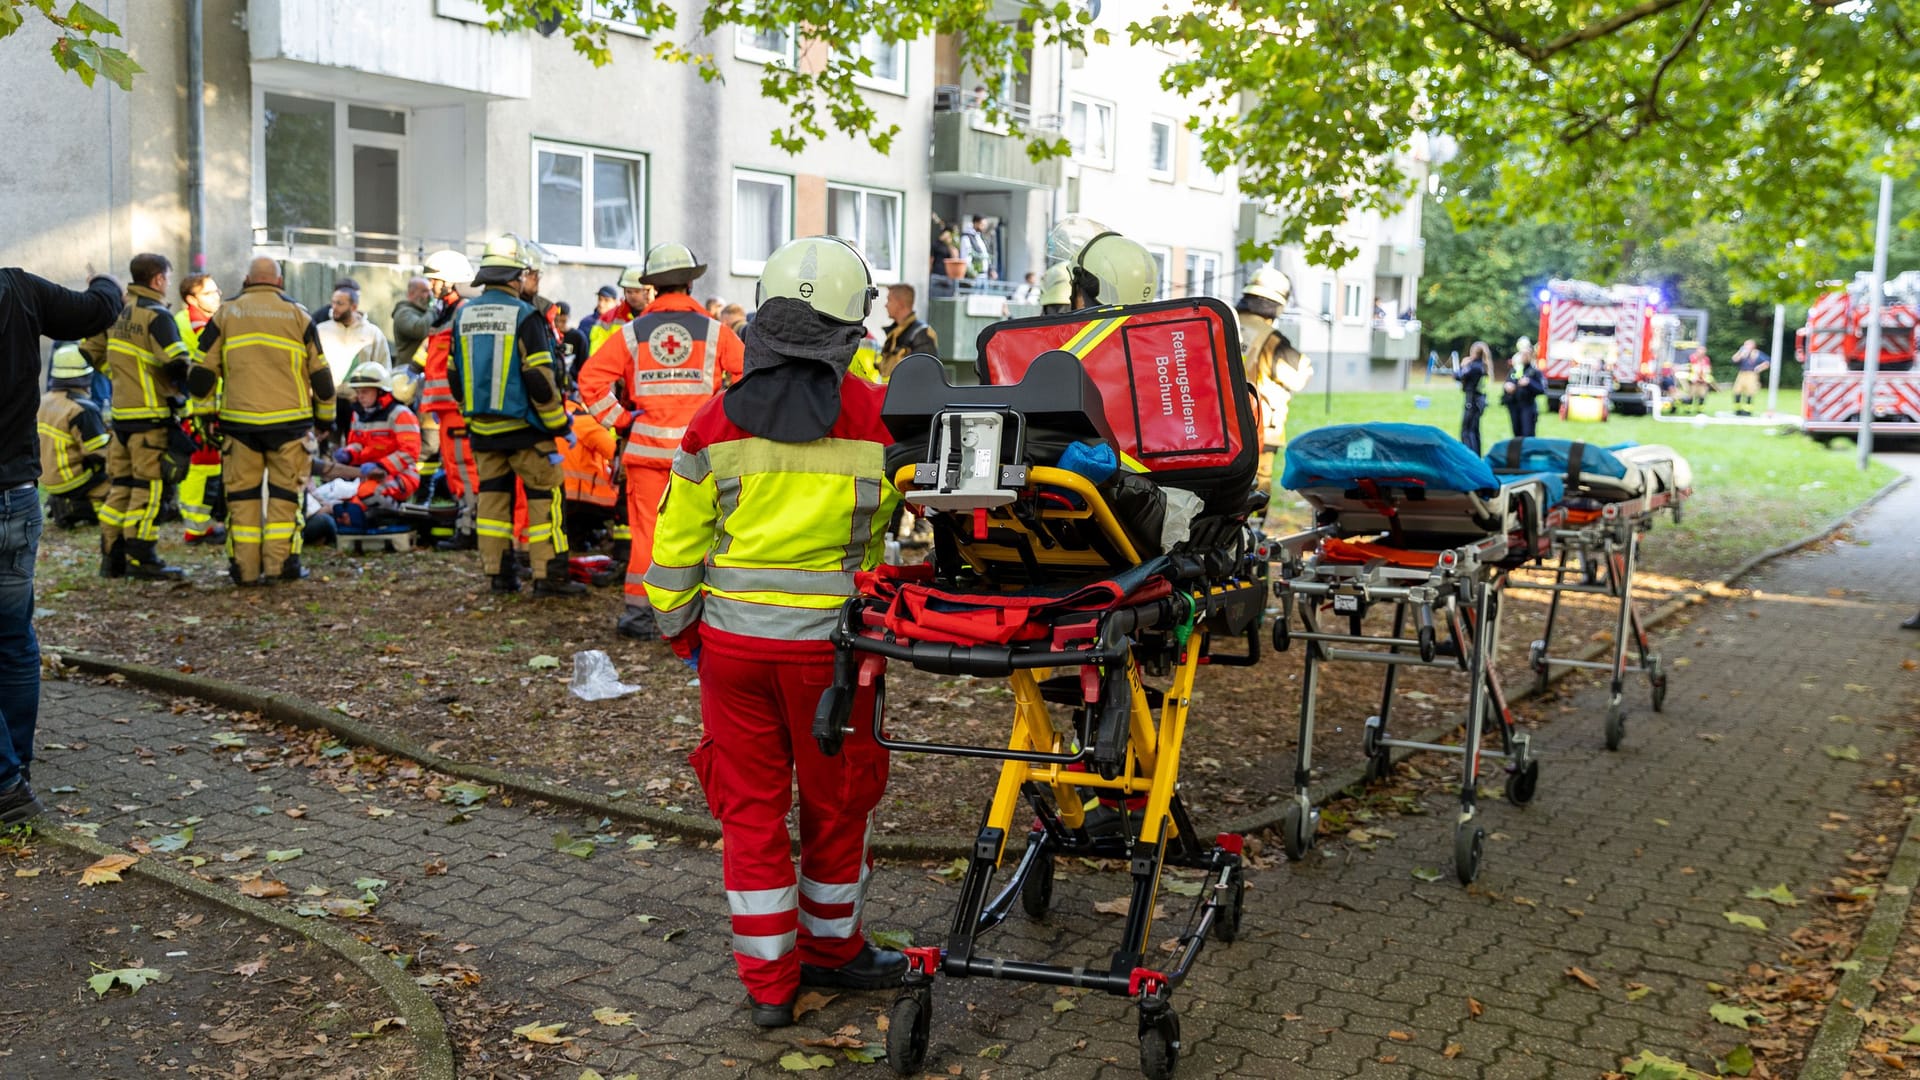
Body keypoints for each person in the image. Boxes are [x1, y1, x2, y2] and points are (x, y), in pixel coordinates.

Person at [644, 235, 905, 1029]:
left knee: (752, 811)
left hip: (732, 653)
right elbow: (896, 522)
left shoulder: (715, 417)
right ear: (849, 327)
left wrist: (678, 629)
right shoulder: (874, 417)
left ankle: (768, 987)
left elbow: (674, 546)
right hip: (834, 655)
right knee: (837, 800)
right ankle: (835, 948)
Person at [0, 266, 122, 825]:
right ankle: (14, 771)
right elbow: (96, 309)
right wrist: (105, 282)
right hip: (17, 498)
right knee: (14, 640)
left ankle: (7, 787)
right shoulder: (19, 290)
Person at [577, 242, 744, 636]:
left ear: (652, 288)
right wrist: (722, 417)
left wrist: (621, 420)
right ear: (690, 283)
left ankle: (641, 616)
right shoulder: (717, 332)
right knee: (704, 532)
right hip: (701, 458)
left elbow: (590, 381)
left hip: (647, 456)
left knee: (648, 536)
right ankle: (695, 617)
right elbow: (749, 377)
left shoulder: (632, 333)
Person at [448, 236, 583, 598]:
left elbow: (453, 374)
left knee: (492, 502)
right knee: (545, 498)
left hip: (483, 431)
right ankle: (548, 577)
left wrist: (470, 414)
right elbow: (539, 378)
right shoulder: (525, 315)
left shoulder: (463, 314)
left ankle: (499, 576)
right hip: (526, 431)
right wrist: (560, 425)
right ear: (514, 277)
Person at [189, 256, 335, 586]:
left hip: (239, 425)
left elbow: (200, 374)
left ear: (247, 279)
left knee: (241, 500)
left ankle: (246, 570)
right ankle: (281, 567)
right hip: (290, 426)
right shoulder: (298, 314)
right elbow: (322, 377)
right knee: (286, 499)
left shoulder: (226, 313)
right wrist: (326, 420)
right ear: (279, 282)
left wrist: (205, 418)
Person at [84, 253, 192, 580]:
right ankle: (142, 557)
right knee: (149, 489)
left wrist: (120, 376)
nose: (168, 284)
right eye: (168, 278)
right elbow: (175, 362)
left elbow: (89, 353)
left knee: (121, 486)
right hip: (151, 418)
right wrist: (181, 393)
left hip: (121, 418)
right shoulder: (157, 316)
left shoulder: (115, 311)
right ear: (158, 279)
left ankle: (112, 558)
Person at [416, 250, 477, 548]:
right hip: (444, 407)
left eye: (435, 278)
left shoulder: (463, 312)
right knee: (455, 470)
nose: (430, 284)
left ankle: (471, 530)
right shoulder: (446, 313)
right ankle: (466, 525)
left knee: (466, 469)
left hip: (457, 407)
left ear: (450, 281)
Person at [1236, 266, 1312, 504]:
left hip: (1217, 424)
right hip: (1260, 425)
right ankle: (1253, 533)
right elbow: (1298, 377)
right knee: (1258, 484)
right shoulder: (1271, 338)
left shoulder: (1223, 322)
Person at [329, 361, 422, 530]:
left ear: (380, 391)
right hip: (369, 476)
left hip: (401, 475)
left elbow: (409, 452)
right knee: (348, 510)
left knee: (368, 493)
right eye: (358, 392)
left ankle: (398, 517)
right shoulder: (359, 415)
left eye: (365, 391)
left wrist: (381, 465)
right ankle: (371, 520)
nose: (360, 396)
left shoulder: (400, 414)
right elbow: (357, 443)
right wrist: (348, 454)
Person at [173, 272, 226, 545]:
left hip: (210, 409)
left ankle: (202, 524)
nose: (216, 296)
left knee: (210, 468)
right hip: (197, 412)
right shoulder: (187, 323)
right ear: (191, 298)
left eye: (217, 291)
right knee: (201, 469)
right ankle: (196, 529)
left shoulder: (205, 321)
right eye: (208, 293)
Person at [38, 343, 111, 528]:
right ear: (86, 375)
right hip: (74, 480)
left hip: (48, 479)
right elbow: (99, 452)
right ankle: (77, 508)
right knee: (125, 484)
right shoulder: (81, 409)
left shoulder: (44, 401)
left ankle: (62, 503)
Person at [317, 284, 391, 443]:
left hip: (358, 401)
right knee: (329, 451)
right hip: (328, 401)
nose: (334, 307)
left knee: (358, 448)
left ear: (354, 306)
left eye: (340, 303)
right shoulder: (321, 331)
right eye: (333, 302)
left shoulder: (372, 333)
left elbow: (384, 368)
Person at [878, 284, 938, 380]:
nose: (886, 305)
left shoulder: (922, 334)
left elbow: (925, 376)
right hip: (890, 393)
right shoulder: (894, 334)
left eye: (889, 300)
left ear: (900, 304)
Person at [1504, 337, 1548, 437]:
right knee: (1517, 433)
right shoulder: (1515, 370)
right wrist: (1507, 386)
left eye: (1526, 354)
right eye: (1522, 354)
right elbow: (1508, 381)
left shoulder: (1535, 372)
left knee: (1527, 433)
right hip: (1514, 405)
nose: (1523, 357)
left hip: (1528, 406)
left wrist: (1529, 383)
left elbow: (1542, 389)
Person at [391, 276, 434, 371]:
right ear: (411, 294)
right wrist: (434, 309)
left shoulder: (425, 313)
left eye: (430, 291)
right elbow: (419, 330)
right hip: (407, 373)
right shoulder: (403, 313)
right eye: (424, 291)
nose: (430, 295)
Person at [1456, 341, 1491, 453]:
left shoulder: (1474, 367)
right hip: (1479, 400)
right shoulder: (1484, 366)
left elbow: (1458, 376)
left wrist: (1462, 366)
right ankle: (1476, 454)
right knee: (1475, 430)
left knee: (1467, 431)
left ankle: (1469, 454)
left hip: (1472, 401)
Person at [552, 301, 592, 385]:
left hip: (572, 384)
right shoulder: (549, 335)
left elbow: (584, 365)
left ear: (568, 318)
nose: (559, 325)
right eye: (556, 321)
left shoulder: (578, 337)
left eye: (563, 321)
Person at [1730, 339, 1769, 416]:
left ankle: (1747, 411)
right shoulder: (1742, 353)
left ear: (1753, 346)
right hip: (1742, 373)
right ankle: (1737, 410)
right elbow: (1734, 360)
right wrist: (1740, 352)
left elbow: (1767, 362)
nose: (1746, 346)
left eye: (1748, 345)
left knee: (1750, 392)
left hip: (1752, 374)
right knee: (1737, 391)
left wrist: (1759, 368)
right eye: (1745, 345)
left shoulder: (1757, 353)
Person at [960, 215, 993, 279]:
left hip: (984, 276)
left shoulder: (980, 236)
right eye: (982, 224)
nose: (984, 227)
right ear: (976, 223)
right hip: (974, 277)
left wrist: (991, 269)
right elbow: (965, 258)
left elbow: (985, 255)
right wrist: (972, 273)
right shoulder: (967, 237)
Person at [1687, 347, 1714, 415]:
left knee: (1702, 396)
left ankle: (1700, 410)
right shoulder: (1692, 357)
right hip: (1694, 380)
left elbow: (1707, 369)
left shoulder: (1706, 359)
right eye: (1700, 352)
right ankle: (1688, 409)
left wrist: (1707, 379)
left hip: (1703, 381)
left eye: (1703, 352)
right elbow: (1692, 367)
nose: (1701, 353)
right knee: (1691, 395)